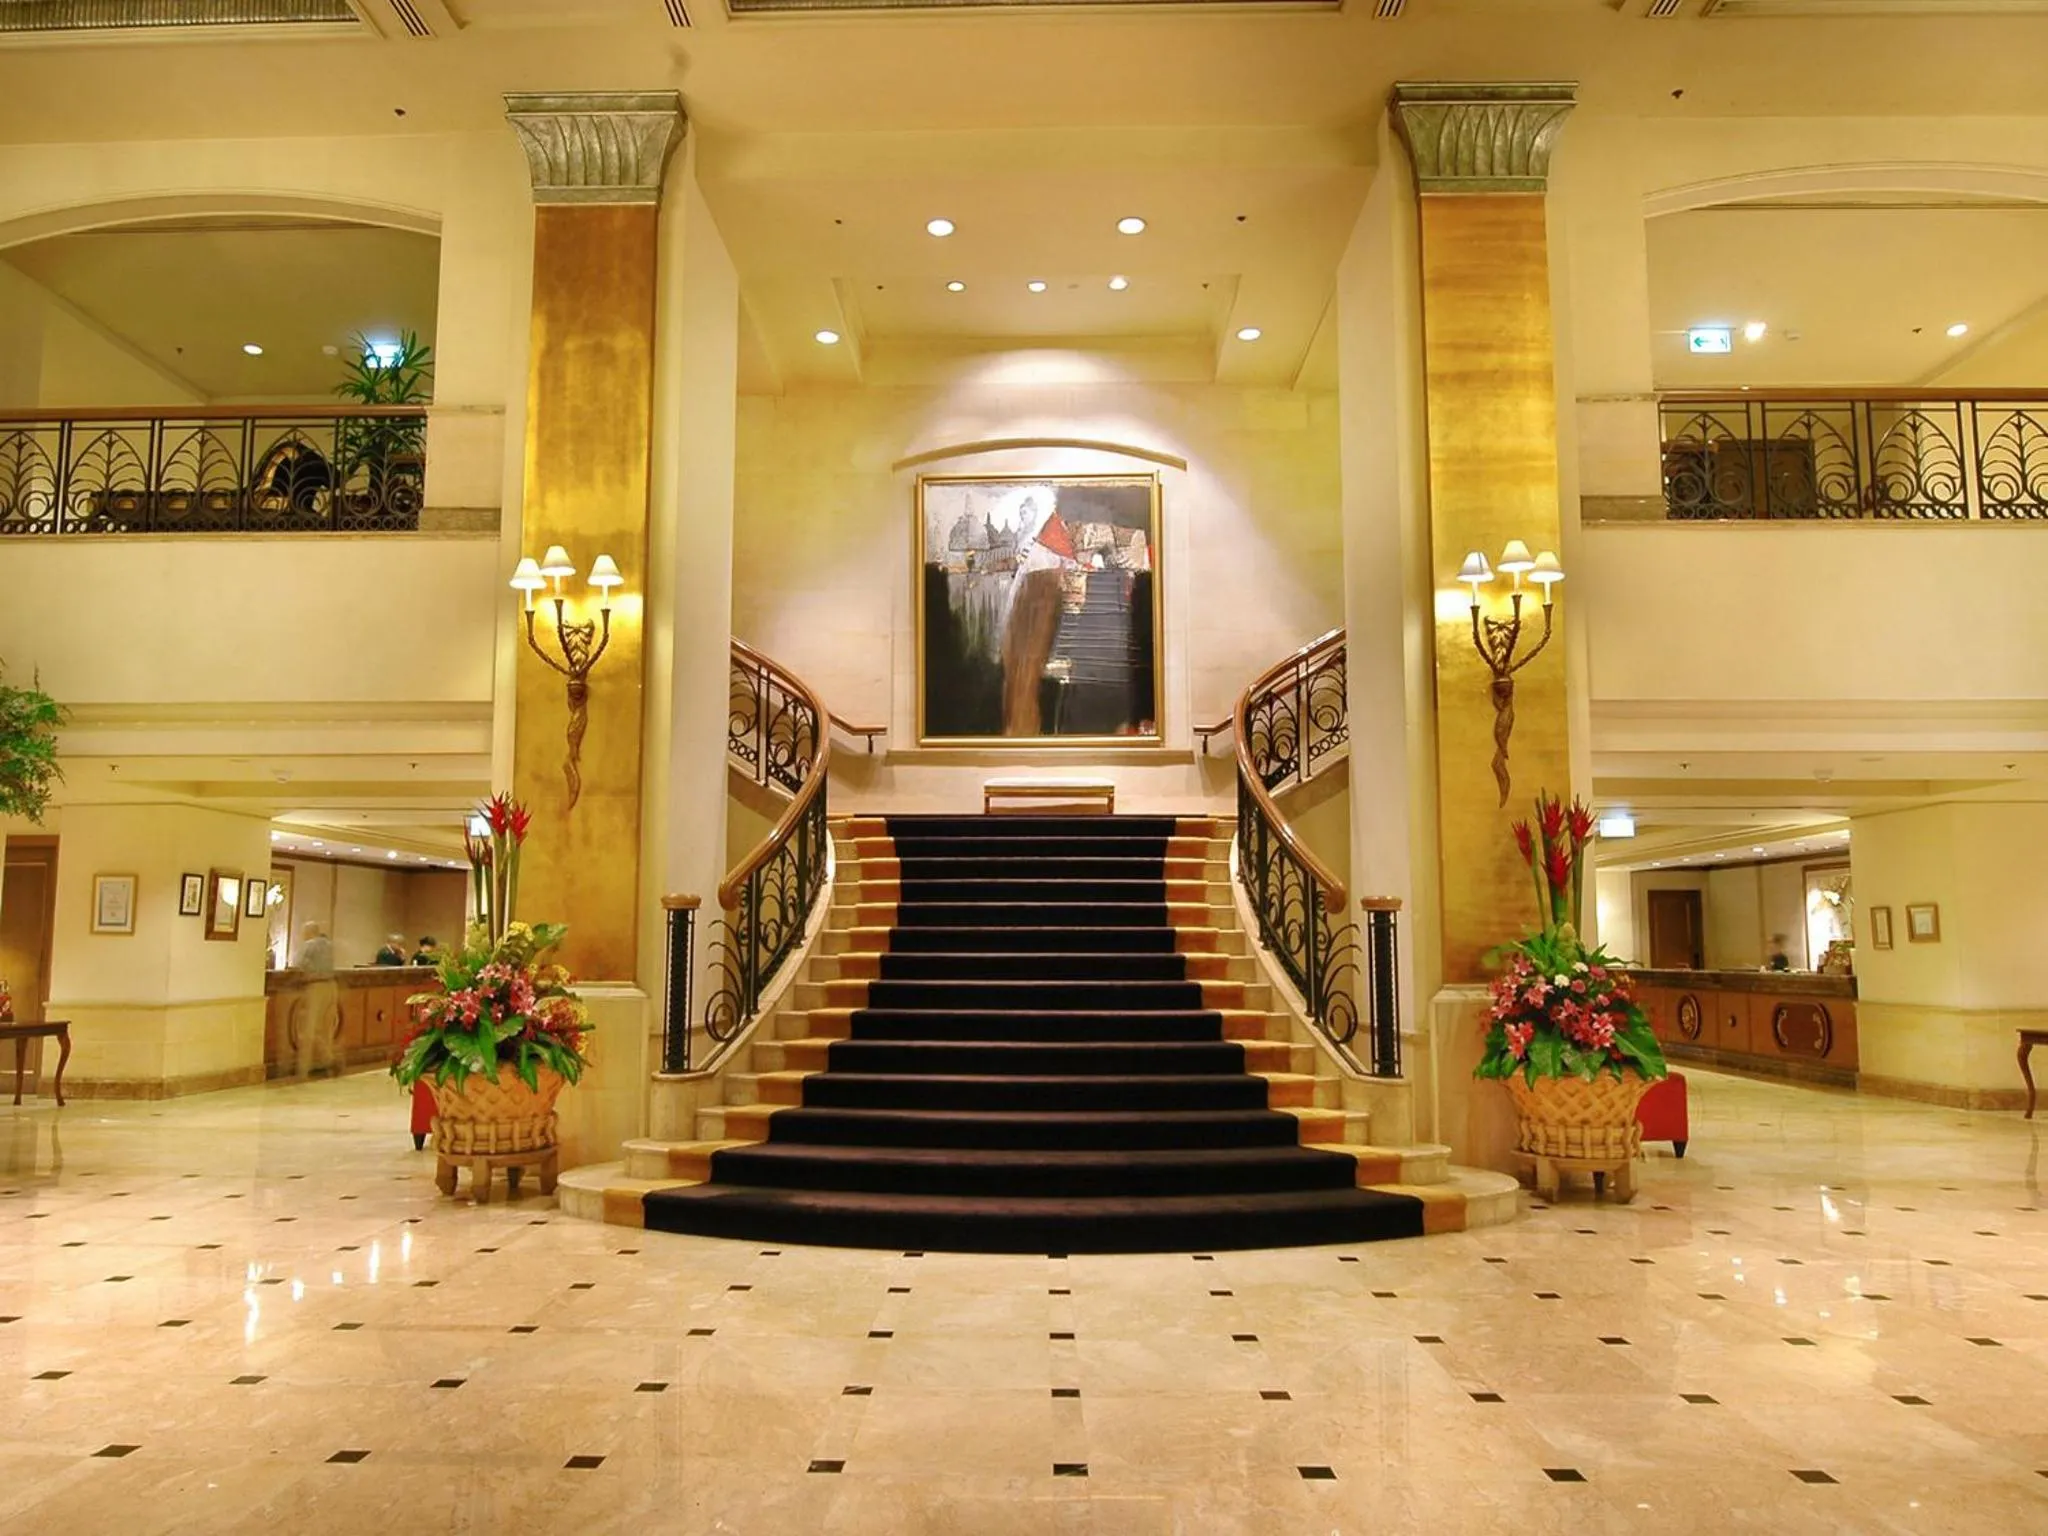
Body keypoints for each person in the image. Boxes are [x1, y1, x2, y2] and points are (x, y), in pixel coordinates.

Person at [295, 922, 338, 1079]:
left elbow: (297, 965)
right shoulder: (329, 945)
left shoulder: (308, 945)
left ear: (308, 933)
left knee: (309, 1028)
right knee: (327, 1028)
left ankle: (304, 1068)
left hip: (315, 987)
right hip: (332, 986)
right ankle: (326, 1060)